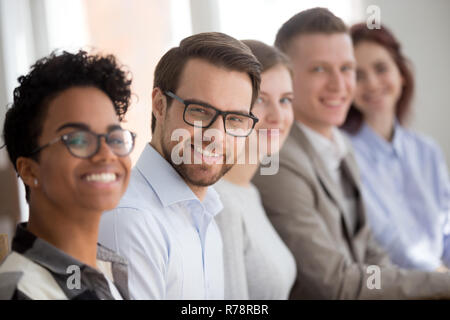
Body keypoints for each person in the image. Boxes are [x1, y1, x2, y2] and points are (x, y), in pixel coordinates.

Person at [252, 7, 450, 299]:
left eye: (346, 69)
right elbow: (333, 282)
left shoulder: (340, 146)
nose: (339, 84)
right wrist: (440, 284)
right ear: (287, 77)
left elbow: (370, 252)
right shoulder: (276, 160)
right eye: (319, 69)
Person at [98, 32, 261, 299]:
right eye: (199, 111)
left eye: (234, 119)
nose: (216, 135)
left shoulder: (206, 214)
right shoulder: (131, 220)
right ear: (160, 106)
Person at [0, 50, 135, 300]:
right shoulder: (20, 291)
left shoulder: (108, 271)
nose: (107, 154)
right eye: (78, 139)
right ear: (29, 170)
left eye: (114, 137)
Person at [341, 23, 450, 272]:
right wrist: (439, 277)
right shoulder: (343, 153)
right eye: (358, 75)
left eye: (381, 69)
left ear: (401, 74)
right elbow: (387, 240)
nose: (372, 83)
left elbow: (447, 230)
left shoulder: (427, 150)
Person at [214, 40, 296, 299]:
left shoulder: (249, 191)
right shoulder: (220, 203)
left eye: (285, 100)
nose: (278, 115)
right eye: (261, 99)